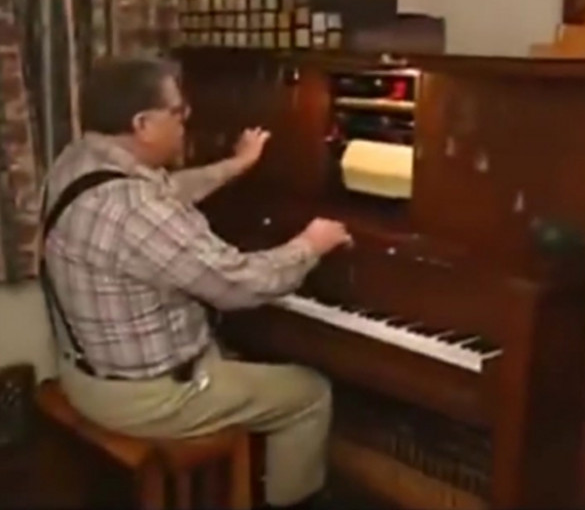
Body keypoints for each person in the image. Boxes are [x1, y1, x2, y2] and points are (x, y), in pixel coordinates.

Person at [40, 56, 352, 510]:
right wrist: (311, 244)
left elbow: (165, 191)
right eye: (178, 112)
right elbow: (240, 285)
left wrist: (235, 165)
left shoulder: (78, 161)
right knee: (309, 393)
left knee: (245, 355)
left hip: (85, 374)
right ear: (143, 124)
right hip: (150, 397)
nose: (186, 120)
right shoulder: (136, 209)